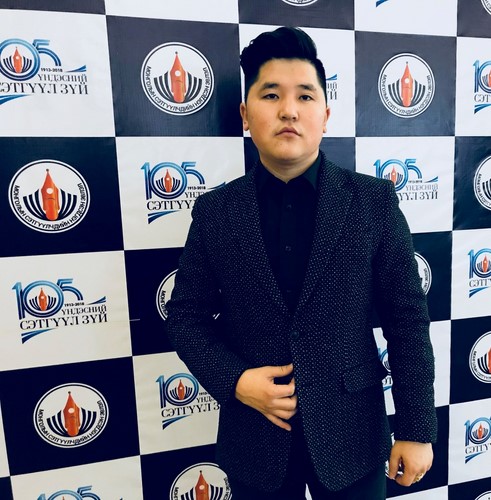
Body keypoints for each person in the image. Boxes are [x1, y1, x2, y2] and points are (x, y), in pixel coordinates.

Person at [166, 26, 437, 500]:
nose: (289, 110)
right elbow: (186, 318)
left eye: (305, 96)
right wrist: (236, 381)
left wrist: (416, 429)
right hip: (255, 438)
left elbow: (407, 319)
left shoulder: (372, 202)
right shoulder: (216, 213)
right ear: (246, 115)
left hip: (353, 436)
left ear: (325, 115)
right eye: (271, 95)